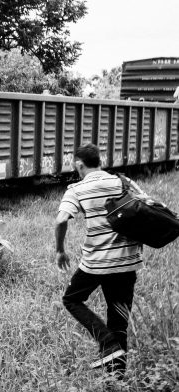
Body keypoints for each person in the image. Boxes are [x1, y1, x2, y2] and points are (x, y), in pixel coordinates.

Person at [54, 143, 147, 375]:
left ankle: (106, 341)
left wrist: (60, 250)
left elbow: (61, 219)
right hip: (127, 262)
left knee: (71, 299)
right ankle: (116, 378)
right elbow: (146, 208)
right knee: (119, 319)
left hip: (96, 262)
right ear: (101, 162)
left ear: (79, 164)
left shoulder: (77, 188)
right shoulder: (124, 182)